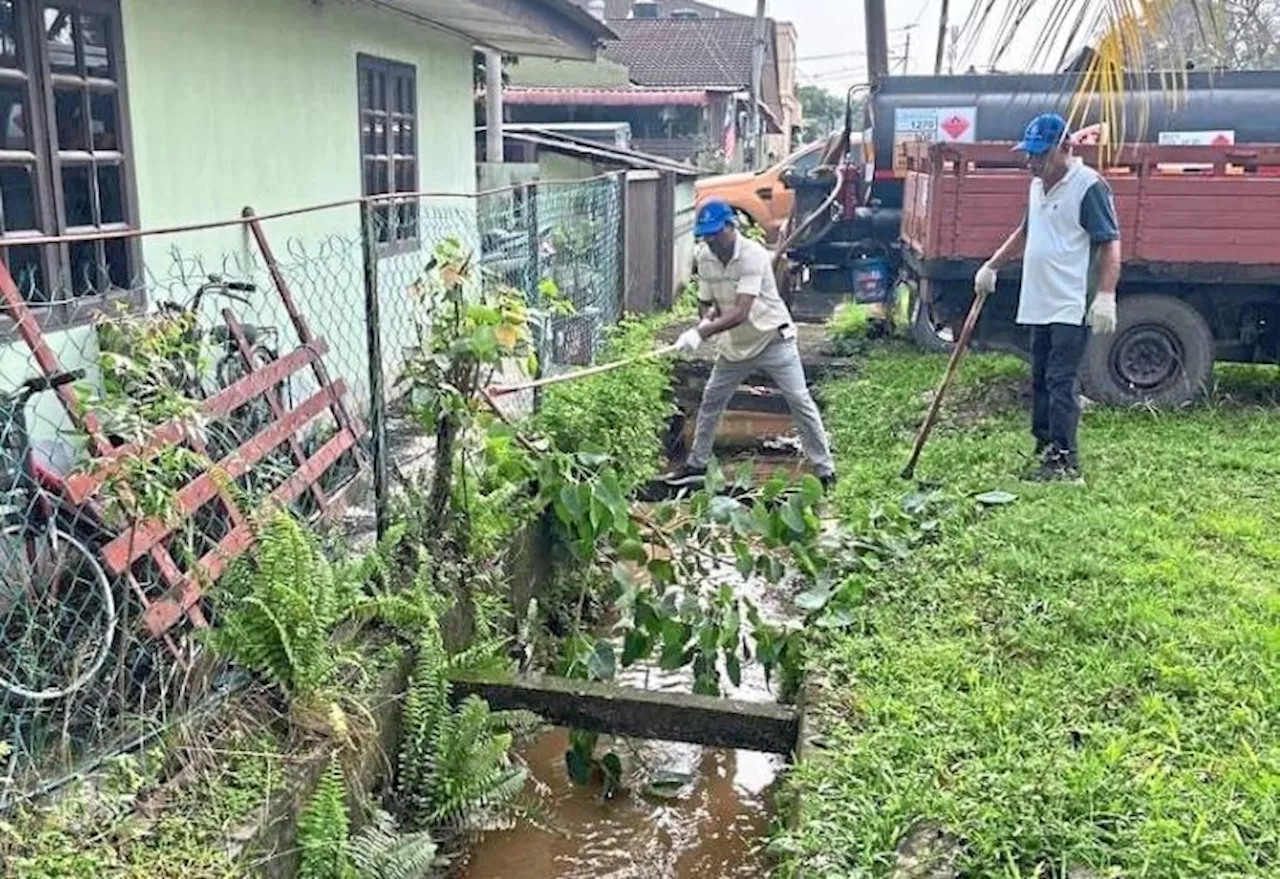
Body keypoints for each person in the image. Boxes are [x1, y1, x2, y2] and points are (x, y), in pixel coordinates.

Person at [976, 112, 1122, 482]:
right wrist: (991, 266)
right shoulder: (1037, 185)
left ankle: (1067, 462)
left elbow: (1109, 243)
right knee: (1040, 377)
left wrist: (1105, 294)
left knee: (1061, 381)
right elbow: (1026, 230)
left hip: (1072, 302)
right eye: (1029, 154)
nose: (1032, 162)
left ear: (1066, 148)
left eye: (1040, 155)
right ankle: (1044, 448)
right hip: (1040, 298)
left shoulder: (1089, 186)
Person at [665, 199, 837, 489]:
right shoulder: (705, 256)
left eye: (716, 232)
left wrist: (703, 334)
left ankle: (825, 470)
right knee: (711, 400)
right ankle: (697, 464)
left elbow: (741, 311)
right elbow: (709, 305)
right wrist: (702, 325)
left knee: (799, 400)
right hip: (736, 347)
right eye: (706, 234)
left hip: (773, 339)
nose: (711, 239)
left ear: (731, 226)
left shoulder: (752, 255)